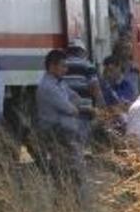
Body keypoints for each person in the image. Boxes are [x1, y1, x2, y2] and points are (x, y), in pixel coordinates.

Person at [35, 48, 87, 184]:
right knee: (65, 173)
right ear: (52, 66)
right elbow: (70, 109)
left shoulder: (60, 83)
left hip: (65, 134)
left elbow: (75, 97)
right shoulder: (48, 87)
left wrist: (78, 105)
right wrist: (77, 108)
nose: (66, 70)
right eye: (63, 66)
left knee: (72, 171)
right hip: (57, 135)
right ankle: (66, 201)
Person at [63, 40, 102, 106]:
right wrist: (100, 104)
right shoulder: (88, 65)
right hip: (84, 107)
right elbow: (95, 86)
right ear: (82, 52)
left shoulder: (62, 65)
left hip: (66, 106)